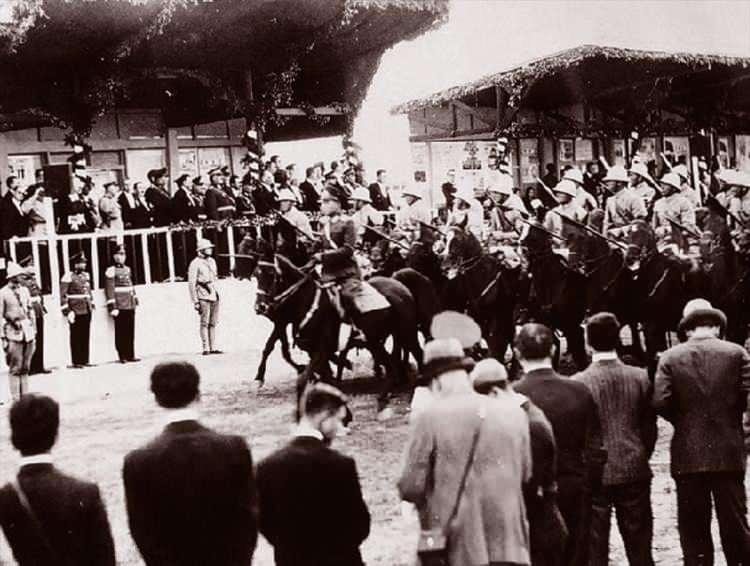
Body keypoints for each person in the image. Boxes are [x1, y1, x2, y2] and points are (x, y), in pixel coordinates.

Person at [398, 338, 532, 566]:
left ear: (436, 381)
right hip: (511, 542)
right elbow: (526, 473)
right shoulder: (513, 412)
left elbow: (411, 486)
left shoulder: (430, 417)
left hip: (460, 545)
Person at [123, 362, 258, 566]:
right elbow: (247, 521)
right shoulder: (234, 448)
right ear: (198, 394)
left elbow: (142, 532)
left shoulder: (139, 460)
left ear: (156, 399)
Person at [653, 298, 750, 565]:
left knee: (693, 529)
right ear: (717, 327)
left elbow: (660, 401)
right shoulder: (737, 354)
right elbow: (747, 397)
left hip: (688, 453)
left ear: (686, 329)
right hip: (729, 452)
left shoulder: (670, 358)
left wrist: (684, 421)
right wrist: (732, 422)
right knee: (735, 525)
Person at [513, 323, 605, 566]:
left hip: (528, 493)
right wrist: (590, 485)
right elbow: (596, 448)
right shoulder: (578, 390)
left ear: (516, 352)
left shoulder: (512, 395)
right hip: (573, 485)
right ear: (553, 349)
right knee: (576, 555)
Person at [573, 313, 657, 566]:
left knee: (595, 549)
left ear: (588, 343)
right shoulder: (640, 377)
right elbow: (649, 426)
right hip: (634, 465)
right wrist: (641, 452)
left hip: (595, 473)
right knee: (640, 546)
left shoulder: (578, 382)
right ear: (618, 339)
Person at [258, 383, 369, 566]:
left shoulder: (267, 467)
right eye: (339, 420)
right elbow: (360, 525)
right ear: (324, 417)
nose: (340, 429)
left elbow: (266, 524)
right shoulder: (340, 465)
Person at [472, 358, 567, 566]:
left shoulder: (529, 425)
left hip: (535, 535)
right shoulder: (520, 416)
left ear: (495, 393)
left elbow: (528, 487)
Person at [0, 394, 115, 565]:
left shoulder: (7, 496)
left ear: (14, 437)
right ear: (54, 435)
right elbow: (104, 558)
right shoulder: (84, 492)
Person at [314, 185, 389, 327]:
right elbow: (320, 244)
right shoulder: (324, 223)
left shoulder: (348, 222)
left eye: (326, 201)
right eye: (321, 202)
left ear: (337, 203)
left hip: (345, 272)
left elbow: (348, 250)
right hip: (327, 272)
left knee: (348, 297)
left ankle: (356, 328)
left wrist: (323, 256)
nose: (322, 206)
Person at [0, 262, 36, 401]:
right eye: (19, 276)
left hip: (28, 332)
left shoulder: (24, 291)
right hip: (13, 333)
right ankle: (16, 398)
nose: (22, 278)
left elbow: (30, 310)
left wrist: (34, 330)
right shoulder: (3, 293)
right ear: (12, 277)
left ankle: (25, 397)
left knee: (26, 367)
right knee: (15, 367)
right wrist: (3, 338)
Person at [105, 245, 139, 364]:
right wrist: (112, 306)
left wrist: (134, 298)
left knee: (130, 330)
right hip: (119, 304)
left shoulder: (127, 269)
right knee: (121, 331)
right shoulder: (111, 270)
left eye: (123, 254)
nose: (121, 256)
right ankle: (122, 355)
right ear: (114, 256)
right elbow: (109, 289)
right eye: (119, 254)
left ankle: (131, 354)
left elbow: (130, 285)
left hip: (129, 303)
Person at [60, 252, 94, 368]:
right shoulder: (68, 276)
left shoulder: (85, 275)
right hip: (75, 309)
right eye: (81, 263)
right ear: (75, 264)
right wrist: (67, 311)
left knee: (85, 334)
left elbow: (88, 291)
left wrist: (91, 303)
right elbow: (63, 295)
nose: (83, 265)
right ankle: (76, 361)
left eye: (84, 263)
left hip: (86, 307)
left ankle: (85, 359)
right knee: (76, 336)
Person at [188, 238, 221, 355]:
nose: (210, 250)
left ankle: (213, 347)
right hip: (203, 294)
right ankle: (205, 347)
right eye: (208, 248)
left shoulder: (212, 261)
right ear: (201, 250)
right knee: (204, 322)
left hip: (213, 293)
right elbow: (192, 283)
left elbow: (214, 278)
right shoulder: (195, 263)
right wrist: (195, 301)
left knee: (213, 322)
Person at [18, 257, 49, 376]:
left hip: (38, 311)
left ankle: (39, 365)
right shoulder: (22, 281)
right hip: (29, 312)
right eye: (30, 264)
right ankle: (29, 367)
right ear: (24, 267)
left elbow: (39, 294)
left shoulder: (33, 279)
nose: (32, 266)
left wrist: (42, 306)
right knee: (30, 340)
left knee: (40, 338)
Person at [602, 165, 647, 237]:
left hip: (633, 238)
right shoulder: (610, 200)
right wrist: (605, 237)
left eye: (610, 181)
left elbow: (641, 224)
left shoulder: (634, 198)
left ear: (619, 183)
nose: (607, 183)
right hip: (614, 238)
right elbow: (607, 223)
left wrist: (622, 230)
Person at [652, 171, 698, 240]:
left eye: (666, 184)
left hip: (681, 239)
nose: (662, 187)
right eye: (662, 184)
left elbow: (689, 226)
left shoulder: (684, 202)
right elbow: (654, 226)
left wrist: (667, 230)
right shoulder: (658, 203)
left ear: (674, 188)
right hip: (661, 240)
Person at [0, 176, 30, 240]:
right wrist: (11, 235)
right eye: (19, 193)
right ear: (13, 191)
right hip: (13, 239)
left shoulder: (22, 204)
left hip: (23, 238)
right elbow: (5, 222)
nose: (22, 195)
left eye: (23, 193)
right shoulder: (6, 203)